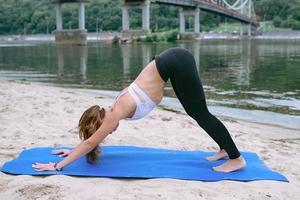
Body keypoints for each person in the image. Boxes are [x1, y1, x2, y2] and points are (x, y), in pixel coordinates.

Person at [33, 47, 246, 173]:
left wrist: (58, 166)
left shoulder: (115, 113)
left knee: (201, 113)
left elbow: (91, 142)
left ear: (101, 123)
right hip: (173, 64)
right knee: (197, 113)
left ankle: (236, 159)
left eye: (105, 131)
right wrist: (74, 150)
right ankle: (224, 149)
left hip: (177, 62)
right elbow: (91, 140)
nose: (110, 132)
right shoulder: (111, 109)